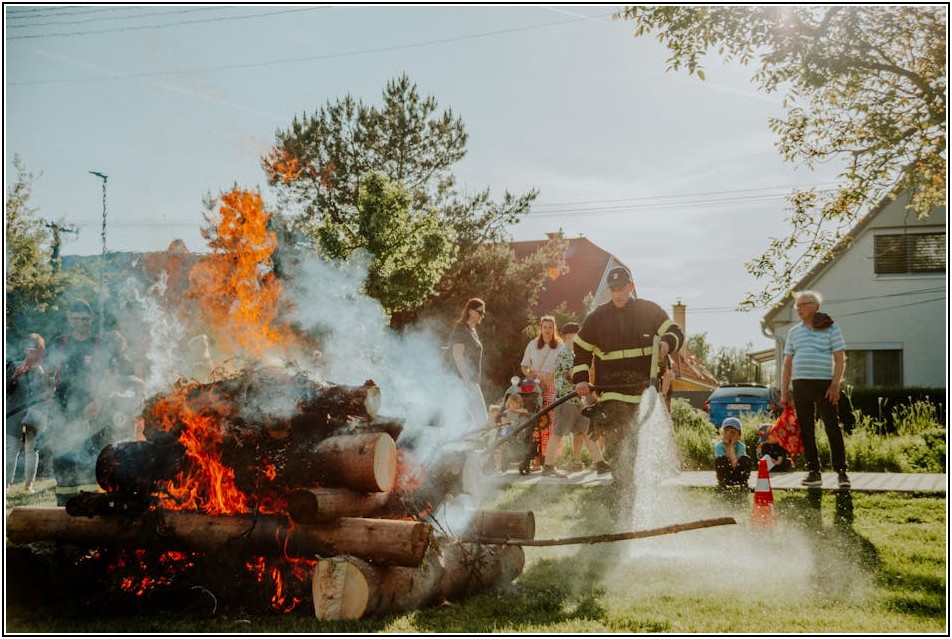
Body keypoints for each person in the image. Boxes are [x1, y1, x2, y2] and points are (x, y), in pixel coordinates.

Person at [573, 266, 684, 516]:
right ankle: (623, 499)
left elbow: (676, 332)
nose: (616, 293)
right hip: (612, 395)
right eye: (612, 289)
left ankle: (631, 499)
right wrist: (581, 378)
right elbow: (580, 348)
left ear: (630, 287)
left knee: (638, 448)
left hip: (644, 395)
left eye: (621, 288)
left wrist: (666, 343)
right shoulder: (598, 318)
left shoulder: (649, 311)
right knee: (619, 446)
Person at [46, 299, 113, 506]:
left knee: (91, 458)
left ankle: (91, 505)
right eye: (76, 319)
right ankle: (64, 507)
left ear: (91, 318)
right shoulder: (60, 343)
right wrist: (48, 391)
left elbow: (108, 377)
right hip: (62, 410)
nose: (81, 323)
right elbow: (48, 373)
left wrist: (97, 402)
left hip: (91, 410)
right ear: (69, 318)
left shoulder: (100, 344)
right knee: (63, 457)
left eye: (85, 319)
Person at [780, 290, 850, 489]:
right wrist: (785, 392)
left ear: (815, 306)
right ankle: (813, 472)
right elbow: (787, 364)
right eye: (797, 306)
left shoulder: (830, 327)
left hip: (825, 385)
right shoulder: (793, 332)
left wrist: (835, 385)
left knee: (832, 428)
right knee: (807, 429)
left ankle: (841, 473)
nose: (799, 308)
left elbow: (839, 357)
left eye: (803, 304)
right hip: (801, 385)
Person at [543, 321, 610, 477]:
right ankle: (548, 467)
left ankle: (599, 463)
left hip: (577, 400)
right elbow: (571, 374)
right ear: (569, 336)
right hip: (565, 400)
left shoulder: (572, 353)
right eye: (578, 335)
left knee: (587, 431)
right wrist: (588, 380)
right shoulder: (565, 352)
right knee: (557, 433)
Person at [6, 333, 51, 493]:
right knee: (11, 448)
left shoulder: (44, 369)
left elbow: (49, 393)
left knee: (32, 449)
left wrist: (42, 375)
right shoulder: (13, 366)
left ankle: (28, 485)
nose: (31, 353)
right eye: (29, 349)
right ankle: (6, 485)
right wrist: (14, 376)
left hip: (36, 413)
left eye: (36, 349)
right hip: (13, 412)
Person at [521, 315, 562, 471]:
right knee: (535, 421)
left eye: (550, 327)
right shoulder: (532, 345)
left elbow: (564, 367)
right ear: (541, 328)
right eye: (544, 327)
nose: (547, 330)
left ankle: (549, 458)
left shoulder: (559, 346)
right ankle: (535, 458)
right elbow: (524, 366)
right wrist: (532, 375)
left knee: (550, 422)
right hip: (535, 388)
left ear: (554, 329)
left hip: (552, 385)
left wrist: (551, 376)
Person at [449, 298, 489, 429]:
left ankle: (465, 446)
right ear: (471, 311)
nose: (482, 315)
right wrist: (466, 380)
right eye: (480, 312)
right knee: (481, 419)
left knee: (469, 419)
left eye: (484, 313)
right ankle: (466, 446)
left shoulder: (472, 330)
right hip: (462, 380)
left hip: (470, 380)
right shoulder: (462, 329)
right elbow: (457, 355)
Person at [714, 417, 752, 488]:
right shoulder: (719, 446)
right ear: (722, 433)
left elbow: (735, 464)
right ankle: (722, 483)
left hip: (738, 475)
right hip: (726, 475)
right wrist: (729, 447)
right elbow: (726, 462)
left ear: (739, 435)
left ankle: (743, 482)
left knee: (746, 459)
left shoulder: (741, 446)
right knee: (720, 459)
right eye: (726, 431)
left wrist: (730, 446)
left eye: (733, 432)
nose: (729, 434)